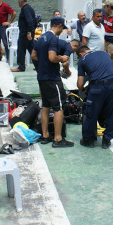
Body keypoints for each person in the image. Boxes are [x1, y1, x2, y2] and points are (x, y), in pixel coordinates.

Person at [31, 17, 74, 147]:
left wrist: (43, 63)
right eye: (62, 28)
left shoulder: (41, 37)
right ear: (59, 26)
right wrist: (62, 58)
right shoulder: (53, 39)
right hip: (52, 78)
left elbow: (33, 56)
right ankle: (58, 138)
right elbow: (52, 57)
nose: (62, 31)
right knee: (58, 107)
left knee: (45, 106)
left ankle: (45, 136)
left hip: (41, 77)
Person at [76, 45, 113, 149]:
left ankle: (88, 140)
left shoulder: (82, 60)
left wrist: (82, 88)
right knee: (111, 112)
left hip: (97, 87)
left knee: (91, 113)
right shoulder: (104, 53)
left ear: (80, 54)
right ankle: (107, 140)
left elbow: (80, 83)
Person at [12, 0, 36, 72]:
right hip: (29, 32)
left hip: (25, 33)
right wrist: (32, 31)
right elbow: (34, 21)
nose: (18, 4)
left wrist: (28, 32)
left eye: (18, 2)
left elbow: (29, 21)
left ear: (21, 2)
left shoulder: (25, 9)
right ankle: (39, 65)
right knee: (32, 50)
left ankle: (21, 67)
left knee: (21, 49)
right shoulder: (30, 8)